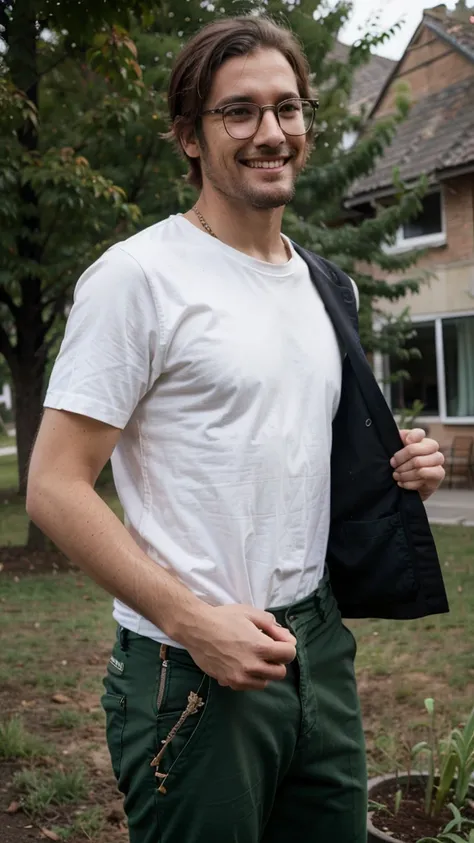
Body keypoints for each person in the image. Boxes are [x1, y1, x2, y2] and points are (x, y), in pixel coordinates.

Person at [27, 14, 447, 843]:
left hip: (317, 649)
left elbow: (291, 444)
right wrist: (189, 620)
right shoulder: (138, 279)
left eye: (288, 108)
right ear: (189, 135)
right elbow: (51, 484)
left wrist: (405, 466)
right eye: (240, 112)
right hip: (191, 668)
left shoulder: (328, 285)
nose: (271, 133)